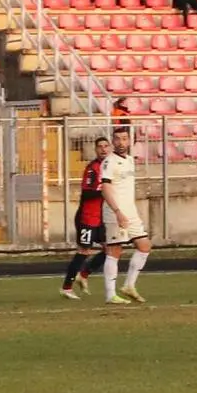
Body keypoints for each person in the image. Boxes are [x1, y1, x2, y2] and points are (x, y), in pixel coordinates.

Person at [99, 126, 153, 304]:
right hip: (116, 212)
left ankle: (129, 285)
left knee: (144, 245)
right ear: (112, 141)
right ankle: (110, 295)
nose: (121, 143)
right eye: (117, 139)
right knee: (115, 250)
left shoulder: (129, 160)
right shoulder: (109, 162)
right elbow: (105, 188)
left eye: (124, 139)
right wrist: (117, 211)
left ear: (129, 141)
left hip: (130, 211)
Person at [59, 136, 111, 300]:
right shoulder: (92, 168)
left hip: (101, 218)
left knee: (110, 249)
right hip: (87, 217)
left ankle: (84, 274)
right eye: (100, 146)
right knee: (84, 251)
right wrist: (102, 188)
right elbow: (87, 192)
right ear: (95, 150)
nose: (103, 149)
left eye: (106, 146)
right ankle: (66, 287)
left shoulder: (110, 168)